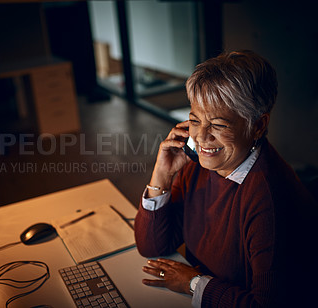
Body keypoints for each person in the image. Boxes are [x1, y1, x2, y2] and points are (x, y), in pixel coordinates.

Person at [134, 50, 317, 307]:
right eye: (195, 120)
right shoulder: (196, 163)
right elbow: (152, 246)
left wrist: (194, 283)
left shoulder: (270, 199)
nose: (201, 137)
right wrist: (162, 175)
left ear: (257, 126)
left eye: (219, 125)